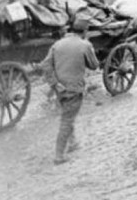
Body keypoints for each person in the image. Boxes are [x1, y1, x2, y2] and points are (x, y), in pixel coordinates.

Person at [37, 18, 99, 165]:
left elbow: (45, 65)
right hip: (74, 89)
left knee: (67, 114)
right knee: (67, 120)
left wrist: (54, 84)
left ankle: (73, 142)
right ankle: (59, 156)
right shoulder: (85, 44)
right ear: (84, 32)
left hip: (60, 89)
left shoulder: (57, 44)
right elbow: (94, 65)